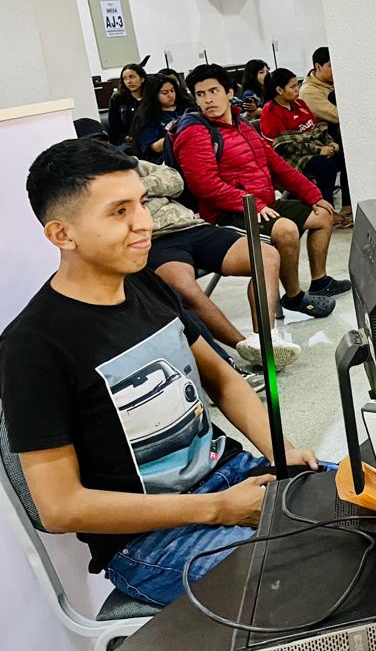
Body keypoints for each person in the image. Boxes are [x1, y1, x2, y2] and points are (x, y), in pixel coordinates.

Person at [0, 138, 319, 608]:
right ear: (62, 234)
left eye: (142, 203)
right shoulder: (32, 347)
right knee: (308, 583)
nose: (144, 223)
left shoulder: (144, 283)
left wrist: (281, 451)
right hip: (150, 541)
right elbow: (60, 506)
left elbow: (222, 378)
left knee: (364, 510)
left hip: (228, 477)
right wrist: (216, 509)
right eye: (119, 212)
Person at [174, 64, 348, 318]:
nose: (208, 99)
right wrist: (252, 204)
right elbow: (205, 185)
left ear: (229, 92)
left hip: (263, 204)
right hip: (227, 213)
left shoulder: (242, 125)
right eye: (200, 94)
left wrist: (314, 196)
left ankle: (320, 281)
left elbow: (277, 166)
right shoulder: (194, 132)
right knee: (286, 230)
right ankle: (294, 297)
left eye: (213, 91)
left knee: (323, 215)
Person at [140, 159, 301, 371]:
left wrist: (139, 187)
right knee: (183, 287)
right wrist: (150, 192)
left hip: (193, 226)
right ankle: (246, 346)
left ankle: (266, 337)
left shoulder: (131, 165)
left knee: (266, 256)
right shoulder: (99, 184)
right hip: (155, 240)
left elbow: (175, 180)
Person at [260, 68, 350, 224]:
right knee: (326, 167)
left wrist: (330, 143)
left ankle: (347, 206)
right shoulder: (271, 111)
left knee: (345, 157)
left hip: (312, 148)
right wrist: (319, 150)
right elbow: (286, 145)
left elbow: (316, 130)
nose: (298, 89)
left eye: (298, 85)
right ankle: (327, 210)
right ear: (280, 90)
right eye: (293, 86)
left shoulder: (299, 104)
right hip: (290, 155)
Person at [128, 74, 195, 158]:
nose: (170, 95)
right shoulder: (147, 116)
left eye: (172, 90)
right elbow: (155, 147)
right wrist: (182, 135)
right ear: (153, 94)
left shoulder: (188, 106)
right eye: (164, 93)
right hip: (165, 159)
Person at [300, 46, 340, 131]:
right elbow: (338, 116)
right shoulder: (309, 92)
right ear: (318, 67)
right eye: (331, 65)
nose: (336, 69)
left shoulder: (332, 82)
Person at [106, 63, 146, 146]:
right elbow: (114, 128)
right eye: (125, 78)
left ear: (142, 78)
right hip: (127, 143)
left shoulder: (151, 97)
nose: (129, 81)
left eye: (132, 77)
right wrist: (125, 137)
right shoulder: (117, 99)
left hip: (150, 139)